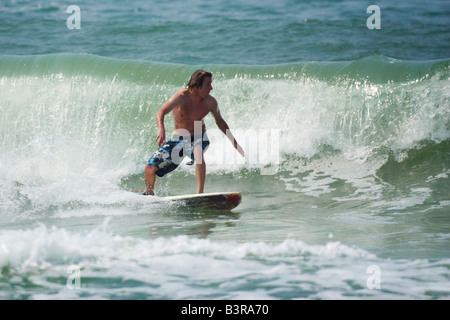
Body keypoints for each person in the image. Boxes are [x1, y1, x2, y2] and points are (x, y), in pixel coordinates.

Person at [143, 70, 245, 195]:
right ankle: (149, 194)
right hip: (179, 139)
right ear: (197, 85)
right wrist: (161, 129)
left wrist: (233, 141)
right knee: (149, 168)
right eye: (208, 84)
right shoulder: (181, 97)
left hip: (199, 135)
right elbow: (160, 112)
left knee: (198, 151)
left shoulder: (210, 102)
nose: (211, 88)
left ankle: (199, 194)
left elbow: (220, 121)